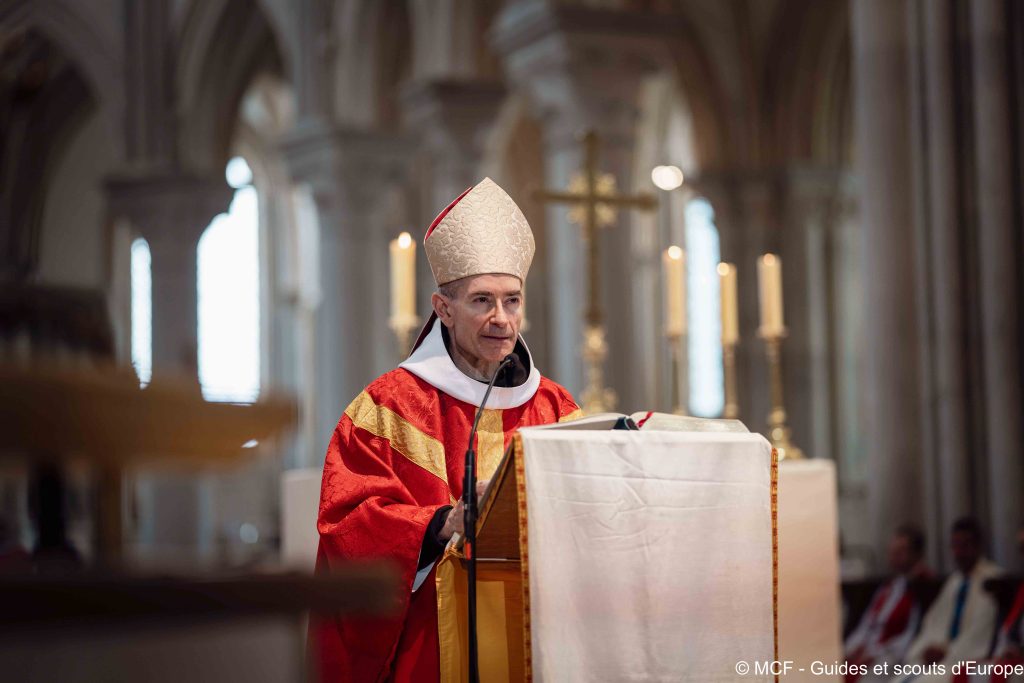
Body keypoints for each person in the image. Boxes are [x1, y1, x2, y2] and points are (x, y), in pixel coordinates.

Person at [310, 177, 580, 682]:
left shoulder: (555, 407)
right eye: (482, 301)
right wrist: (442, 524)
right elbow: (346, 527)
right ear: (443, 309)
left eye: (512, 300)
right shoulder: (387, 407)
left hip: (540, 642)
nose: (502, 319)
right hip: (431, 646)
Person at [896, 517, 1003, 682]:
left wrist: (947, 653)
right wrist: (927, 648)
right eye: (955, 546)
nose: (958, 553)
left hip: (961, 659)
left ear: (977, 546)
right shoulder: (954, 582)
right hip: (939, 658)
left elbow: (979, 631)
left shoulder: (993, 580)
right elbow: (934, 623)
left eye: (964, 546)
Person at [845, 524, 934, 682]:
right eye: (893, 550)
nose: (894, 555)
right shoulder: (888, 587)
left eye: (901, 551)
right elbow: (867, 625)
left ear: (916, 554)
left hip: (894, 656)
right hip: (869, 651)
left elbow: (912, 634)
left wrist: (874, 655)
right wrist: (850, 650)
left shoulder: (924, 587)